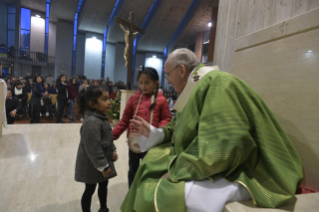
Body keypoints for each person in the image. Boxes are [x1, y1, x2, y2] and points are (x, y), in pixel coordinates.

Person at [120, 48, 303, 212]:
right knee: (151, 164)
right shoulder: (195, 88)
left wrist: (178, 168)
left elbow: (225, 144)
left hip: (253, 171)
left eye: (168, 75)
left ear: (182, 70)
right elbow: (177, 126)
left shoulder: (217, 83)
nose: (167, 81)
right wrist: (154, 132)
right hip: (221, 161)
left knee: (157, 192)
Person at [112, 67, 172, 187]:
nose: (143, 86)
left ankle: (143, 195)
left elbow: (166, 118)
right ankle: (132, 195)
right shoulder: (134, 99)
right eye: (140, 83)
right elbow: (125, 120)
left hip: (151, 143)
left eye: (147, 83)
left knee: (148, 170)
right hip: (134, 142)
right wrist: (113, 135)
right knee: (133, 171)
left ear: (156, 83)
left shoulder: (161, 100)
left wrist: (159, 131)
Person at [75, 85, 118, 212]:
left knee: (103, 185)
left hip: (102, 161)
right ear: (93, 104)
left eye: (108, 99)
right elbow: (93, 148)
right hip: (91, 165)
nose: (109, 102)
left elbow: (108, 138)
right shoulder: (92, 122)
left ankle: (103, 208)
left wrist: (113, 150)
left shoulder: (101, 117)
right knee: (89, 190)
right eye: (104, 99)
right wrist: (103, 166)